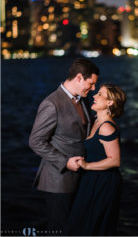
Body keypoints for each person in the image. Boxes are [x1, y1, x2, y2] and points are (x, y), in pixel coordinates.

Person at [29, 57, 99, 235]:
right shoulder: (51, 104)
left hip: (80, 177)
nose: (93, 89)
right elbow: (35, 141)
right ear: (78, 78)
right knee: (60, 230)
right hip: (58, 181)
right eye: (91, 84)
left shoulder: (82, 100)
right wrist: (65, 162)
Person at [65, 83, 126, 236]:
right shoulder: (94, 121)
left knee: (95, 226)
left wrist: (87, 165)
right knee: (81, 224)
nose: (94, 96)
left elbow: (115, 160)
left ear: (109, 103)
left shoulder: (106, 127)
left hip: (104, 182)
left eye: (100, 94)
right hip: (91, 179)